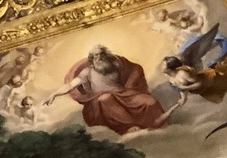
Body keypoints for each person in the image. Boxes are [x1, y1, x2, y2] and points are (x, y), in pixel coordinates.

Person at [43, 44, 177, 135]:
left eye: (101, 55)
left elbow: (134, 70)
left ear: (106, 55)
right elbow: (70, 85)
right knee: (105, 99)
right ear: (92, 59)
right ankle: (129, 126)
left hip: (125, 94)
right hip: (101, 100)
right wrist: (54, 94)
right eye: (96, 56)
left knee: (149, 101)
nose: (99, 58)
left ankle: (160, 123)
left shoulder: (117, 64)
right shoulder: (87, 72)